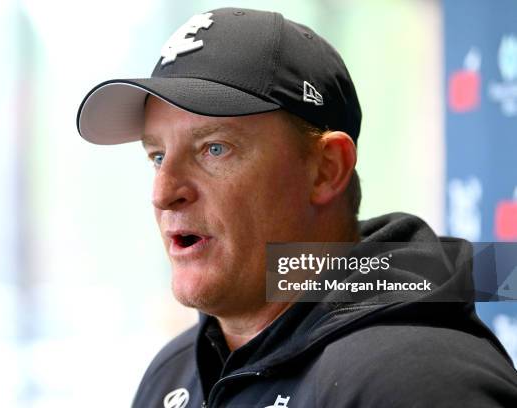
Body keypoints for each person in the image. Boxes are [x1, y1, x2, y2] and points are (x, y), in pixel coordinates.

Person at [76, 7, 517, 408]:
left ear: (326, 169)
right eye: (157, 156)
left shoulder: (417, 382)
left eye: (214, 149)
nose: (163, 191)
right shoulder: (174, 373)